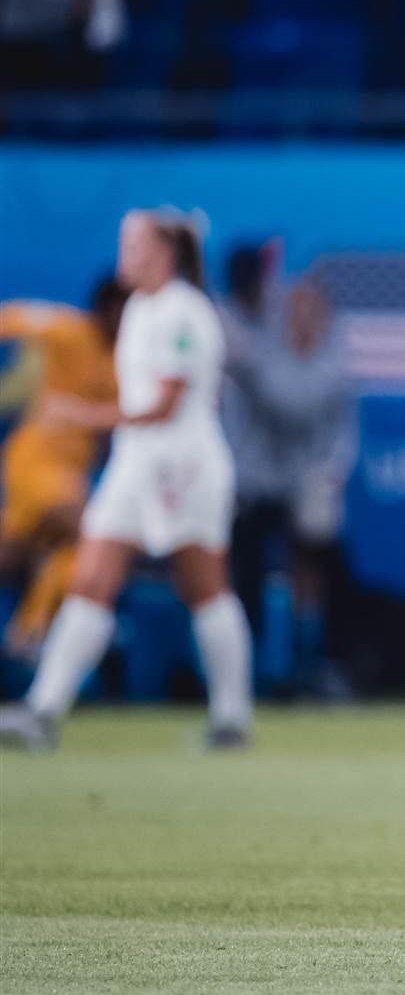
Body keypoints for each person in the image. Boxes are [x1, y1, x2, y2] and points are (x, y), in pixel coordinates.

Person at [0, 212, 253, 752]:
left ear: (166, 250)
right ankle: (43, 711)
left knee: (204, 586)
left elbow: (164, 406)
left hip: (185, 466)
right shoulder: (139, 308)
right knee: (91, 579)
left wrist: (80, 416)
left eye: (135, 242)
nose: (125, 251)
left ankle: (232, 719)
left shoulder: (186, 312)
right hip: (134, 465)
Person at [226, 279, 359, 698]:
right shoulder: (263, 359)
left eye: (311, 310)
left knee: (318, 571)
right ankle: (244, 672)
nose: (302, 319)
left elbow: (342, 433)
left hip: (307, 488)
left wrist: (331, 472)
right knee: (246, 576)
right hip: (257, 485)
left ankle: (314, 664)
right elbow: (281, 403)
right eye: (295, 309)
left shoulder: (335, 368)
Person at [0, 279, 124, 660]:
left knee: (11, 556)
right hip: (35, 460)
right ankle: (30, 629)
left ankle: (30, 629)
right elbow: (12, 318)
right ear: (108, 309)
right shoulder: (70, 329)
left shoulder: (126, 356)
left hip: (70, 472)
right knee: (90, 530)